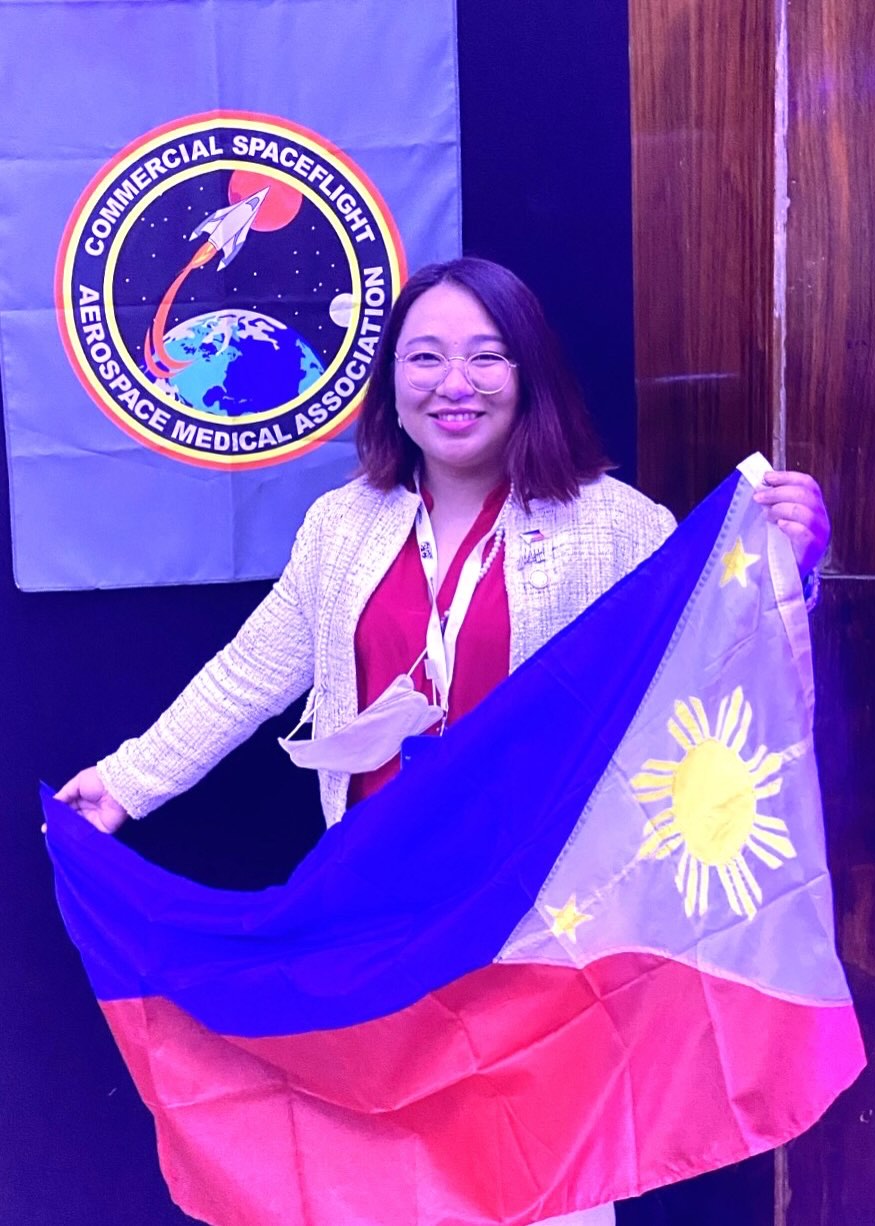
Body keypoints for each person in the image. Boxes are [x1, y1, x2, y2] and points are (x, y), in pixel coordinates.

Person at [56, 257, 831, 1226]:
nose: (451, 383)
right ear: (389, 383)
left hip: (535, 913)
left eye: (483, 356)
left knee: (539, 1175)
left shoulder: (611, 524)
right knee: (379, 1169)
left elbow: (706, 659)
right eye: (423, 357)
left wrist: (787, 569)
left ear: (528, 374)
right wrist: (125, 783)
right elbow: (250, 672)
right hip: (374, 900)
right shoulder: (339, 525)